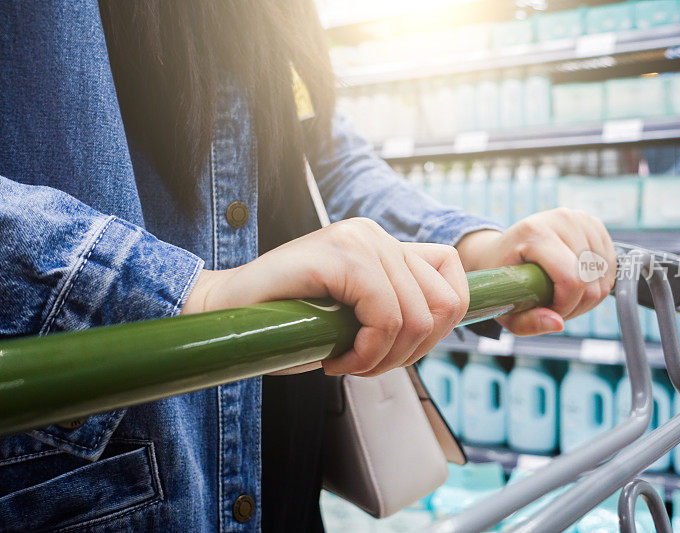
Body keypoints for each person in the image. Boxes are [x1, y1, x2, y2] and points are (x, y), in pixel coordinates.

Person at [0, 1, 616, 531]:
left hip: (280, 464)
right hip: (107, 481)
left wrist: (475, 246)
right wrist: (187, 295)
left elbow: (321, 154)